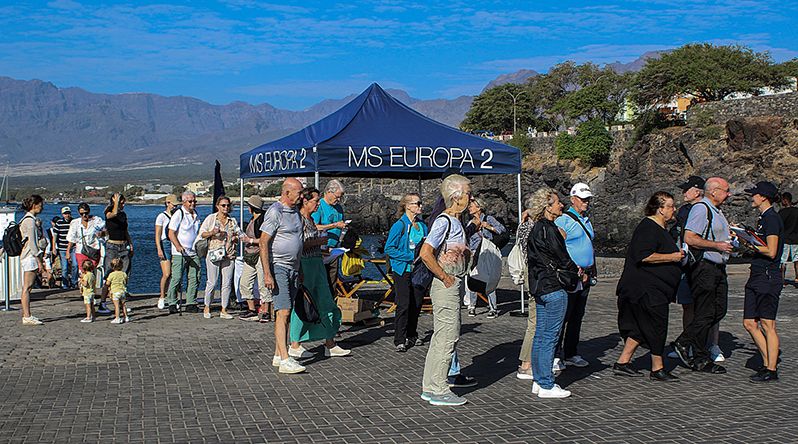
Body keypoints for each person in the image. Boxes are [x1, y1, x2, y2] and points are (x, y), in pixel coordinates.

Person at [614, 192, 684, 382]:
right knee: (656, 326)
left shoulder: (660, 228)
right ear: (660, 209)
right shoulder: (648, 227)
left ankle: (622, 362)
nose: (673, 209)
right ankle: (657, 367)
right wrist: (673, 257)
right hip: (646, 289)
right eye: (670, 206)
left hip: (655, 288)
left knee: (639, 327)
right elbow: (643, 255)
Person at [419, 174, 473, 406]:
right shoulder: (445, 221)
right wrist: (444, 276)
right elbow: (425, 252)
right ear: (456, 196)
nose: (472, 198)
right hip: (446, 284)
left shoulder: (456, 221)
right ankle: (439, 388)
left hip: (452, 282)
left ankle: (431, 386)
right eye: (469, 193)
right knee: (449, 335)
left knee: (443, 335)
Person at [672, 177, 734, 374]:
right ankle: (698, 355)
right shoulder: (701, 208)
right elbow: (690, 237)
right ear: (714, 191)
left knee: (718, 310)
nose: (729, 194)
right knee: (706, 312)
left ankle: (685, 342)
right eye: (726, 190)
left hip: (717, 267)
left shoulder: (717, 211)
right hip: (705, 267)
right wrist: (717, 245)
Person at [527, 187, 580, 399]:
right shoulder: (549, 229)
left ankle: (539, 380)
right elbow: (562, 257)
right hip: (553, 286)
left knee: (541, 335)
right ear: (547, 207)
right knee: (550, 336)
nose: (561, 206)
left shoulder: (536, 228)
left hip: (540, 285)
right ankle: (547, 383)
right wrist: (575, 270)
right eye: (557, 202)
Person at [288, 187, 351, 359]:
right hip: (306, 265)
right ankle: (295, 343)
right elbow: (297, 244)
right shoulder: (298, 220)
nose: (318, 204)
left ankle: (329, 342)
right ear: (305, 201)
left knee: (325, 301)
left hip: (317, 262)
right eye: (315, 201)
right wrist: (318, 241)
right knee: (305, 303)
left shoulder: (309, 220)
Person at [260, 178, 306, 374]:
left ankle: (278, 354)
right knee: (283, 311)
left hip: (293, 267)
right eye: (298, 193)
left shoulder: (295, 212)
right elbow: (263, 243)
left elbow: (298, 240)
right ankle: (286, 358)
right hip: (278, 266)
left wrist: (300, 268)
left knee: (286, 313)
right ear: (287, 193)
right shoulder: (275, 212)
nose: (302, 196)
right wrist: (267, 273)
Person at [742, 181, 784, 383]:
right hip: (757, 273)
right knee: (749, 322)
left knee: (768, 324)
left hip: (768, 275)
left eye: (755, 194)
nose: (752, 197)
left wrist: (750, 244)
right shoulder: (762, 218)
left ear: (763, 197)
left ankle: (771, 368)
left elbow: (772, 251)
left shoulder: (771, 219)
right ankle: (768, 360)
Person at [553, 182, 596, 370]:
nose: (586, 202)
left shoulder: (586, 219)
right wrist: (571, 266)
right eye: (583, 199)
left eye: (588, 199)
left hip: (585, 275)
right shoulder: (564, 220)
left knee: (577, 315)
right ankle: (555, 355)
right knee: (564, 315)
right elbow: (557, 247)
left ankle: (571, 352)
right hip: (571, 275)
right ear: (573, 199)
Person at [384, 193, 428, 352]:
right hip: (402, 269)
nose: (420, 206)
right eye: (417, 203)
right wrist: (410, 256)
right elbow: (389, 248)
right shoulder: (399, 225)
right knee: (403, 304)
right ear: (408, 206)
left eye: (420, 203)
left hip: (419, 271)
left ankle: (412, 334)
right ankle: (400, 339)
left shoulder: (422, 225)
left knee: (416, 304)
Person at [199, 195, 243, 320]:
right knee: (212, 282)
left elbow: (240, 234)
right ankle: (207, 306)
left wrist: (236, 238)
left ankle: (224, 309)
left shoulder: (232, 221)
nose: (226, 207)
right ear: (217, 206)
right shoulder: (211, 219)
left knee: (227, 283)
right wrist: (212, 232)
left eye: (228, 205)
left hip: (229, 254)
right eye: (223, 205)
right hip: (214, 253)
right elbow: (202, 234)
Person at [463, 196, 506, 318]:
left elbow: (502, 229)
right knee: (472, 277)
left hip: (486, 253)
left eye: (471, 206)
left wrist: (488, 227)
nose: (469, 208)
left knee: (488, 279)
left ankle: (493, 308)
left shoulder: (489, 219)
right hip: (474, 253)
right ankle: (472, 306)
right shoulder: (470, 223)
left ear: (479, 207)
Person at [67, 203, 107, 312]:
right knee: (83, 273)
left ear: (89, 211)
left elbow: (106, 231)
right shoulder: (75, 223)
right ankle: (87, 295)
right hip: (81, 250)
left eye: (86, 213)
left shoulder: (96, 220)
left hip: (94, 249)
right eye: (82, 213)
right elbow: (71, 238)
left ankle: (91, 293)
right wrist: (68, 251)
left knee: (92, 273)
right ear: (78, 213)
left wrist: (101, 234)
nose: (84, 215)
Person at [166, 191, 201, 314]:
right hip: (179, 253)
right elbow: (171, 233)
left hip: (193, 252)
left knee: (195, 277)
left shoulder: (196, 214)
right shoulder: (179, 214)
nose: (193, 203)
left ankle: (191, 302)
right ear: (184, 202)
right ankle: (172, 302)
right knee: (177, 277)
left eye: (194, 201)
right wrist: (178, 246)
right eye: (190, 201)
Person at [312, 179, 348, 289]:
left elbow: (341, 225)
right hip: (321, 249)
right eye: (337, 196)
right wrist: (334, 225)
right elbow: (314, 227)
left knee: (332, 281)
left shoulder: (338, 207)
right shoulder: (319, 206)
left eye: (340, 197)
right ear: (328, 192)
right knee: (321, 281)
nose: (339, 199)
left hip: (335, 249)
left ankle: (332, 302)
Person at [239, 195, 269, 321]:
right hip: (250, 255)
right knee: (245, 282)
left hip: (260, 254)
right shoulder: (253, 219)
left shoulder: (261, 221)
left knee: (263, 283)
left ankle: (266, 310)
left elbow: (264, 240)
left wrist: (249, 240)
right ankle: (251, 309)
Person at [515, 206, 537, 380]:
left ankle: (529, 362)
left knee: (535, 321)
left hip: (534, 276)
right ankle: (526, 364)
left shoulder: (526, 225)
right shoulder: (529, 227)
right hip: (535, 276)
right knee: (535, 321)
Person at [18, 195, 45, 325]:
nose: (42, 207)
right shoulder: (30, 222)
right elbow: (33, 244)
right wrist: (40, 261)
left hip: (27, 256)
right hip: (29, 256)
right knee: (27, 287)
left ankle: (27, 314)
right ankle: (27, 315)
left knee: (27, 287)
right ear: (35, 205)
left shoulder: (26, 219)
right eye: (40, 204)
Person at [155, 195, 177, 309]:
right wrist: (159, 248)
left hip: (174, 243)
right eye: (173, 204)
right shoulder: (161, 216)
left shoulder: (177, 215)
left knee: (175, 274)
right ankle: (162, 296)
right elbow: (158, 234)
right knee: (167, 273)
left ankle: (172, 296)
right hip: (165, 244)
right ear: (168, 203)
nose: (175, 207)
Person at [53, 207, 76, 290]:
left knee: (75, 265)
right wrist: (54, 248)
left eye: (68, 213)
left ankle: (74, 283)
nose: (67, 215)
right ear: (63, 214)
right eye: (65, 213)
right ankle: (65, 285)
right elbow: (55, 236)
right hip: (62, 248)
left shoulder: (73, 222)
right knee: (65, 267)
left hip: (73, 248)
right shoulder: (59, 223)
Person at [778, 191, 798, 282]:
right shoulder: (796, 211)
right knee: (796, 260)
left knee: (783, 261)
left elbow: (779, 226)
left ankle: (782, 280)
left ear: (785, 200)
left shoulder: (782, 212)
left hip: (785, 239)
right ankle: (797, 278)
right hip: (796, 239)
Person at [105, 258, 129, 324]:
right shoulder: (124, 274)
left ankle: (117, 318)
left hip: (115, 292)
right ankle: (126, 317)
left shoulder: (111, 274)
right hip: (123, 291)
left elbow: (107, 283)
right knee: (123, 305)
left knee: (117, 306)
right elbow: (126, 281)